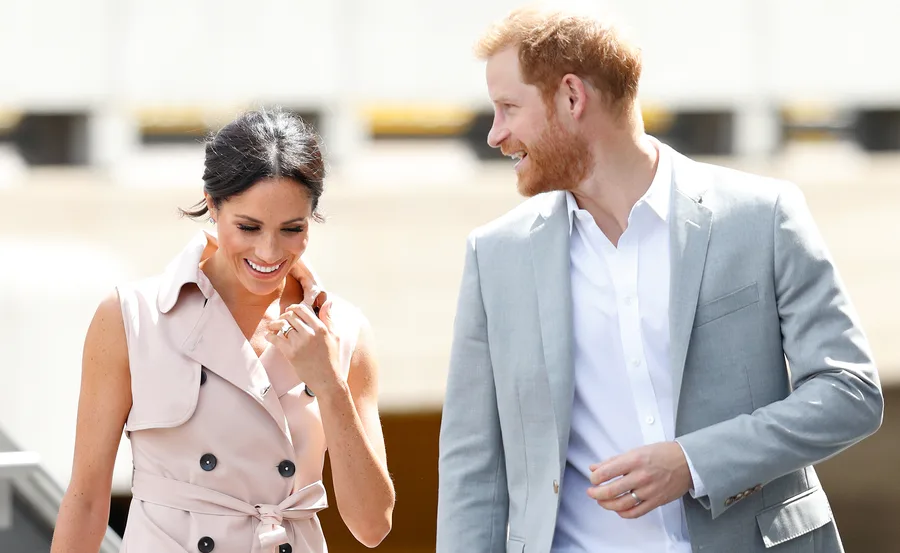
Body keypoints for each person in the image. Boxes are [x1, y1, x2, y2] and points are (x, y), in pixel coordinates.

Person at [436, 6, 883, 553]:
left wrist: (693, 463)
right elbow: (472, 467)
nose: (495, 134)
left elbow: (849, 391)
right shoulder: (495, 256)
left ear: (572, 97)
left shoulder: (762, 215)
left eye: (508, 107)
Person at [51, 108, 394, 553]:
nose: (268, 251)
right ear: (212, 205)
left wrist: (328, 384)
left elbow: (373, 526)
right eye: (248, 227)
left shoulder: (344, 330)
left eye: (292, 229)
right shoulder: (131, 318)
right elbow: (86, 500)